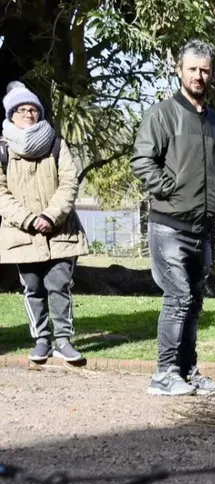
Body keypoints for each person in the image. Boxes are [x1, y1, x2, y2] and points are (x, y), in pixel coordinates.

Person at [131, 39, 215, 396]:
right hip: (169, 225)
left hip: (204, 228)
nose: (199, 76)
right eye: (192, 69)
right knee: (179, 297)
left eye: (205, 70)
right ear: (179, 69)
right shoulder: (162, 114)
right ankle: (163, 373)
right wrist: (168, 187)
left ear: (211, 73)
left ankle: (188, 371)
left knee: (195, 301)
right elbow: (142, 160)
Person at [0, 82, 88, 365]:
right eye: (22, 110)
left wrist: (50, 216)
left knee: (60, 284)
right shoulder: (3, 150)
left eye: (33, 109)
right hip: (21, 234)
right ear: (11, 114)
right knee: (33, 287)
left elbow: (69, 182)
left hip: (60, 230)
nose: (29, 114)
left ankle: (63, 339)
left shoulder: (56, 143)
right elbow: (0, 192)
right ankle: (41, 339)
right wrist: (28, 219)